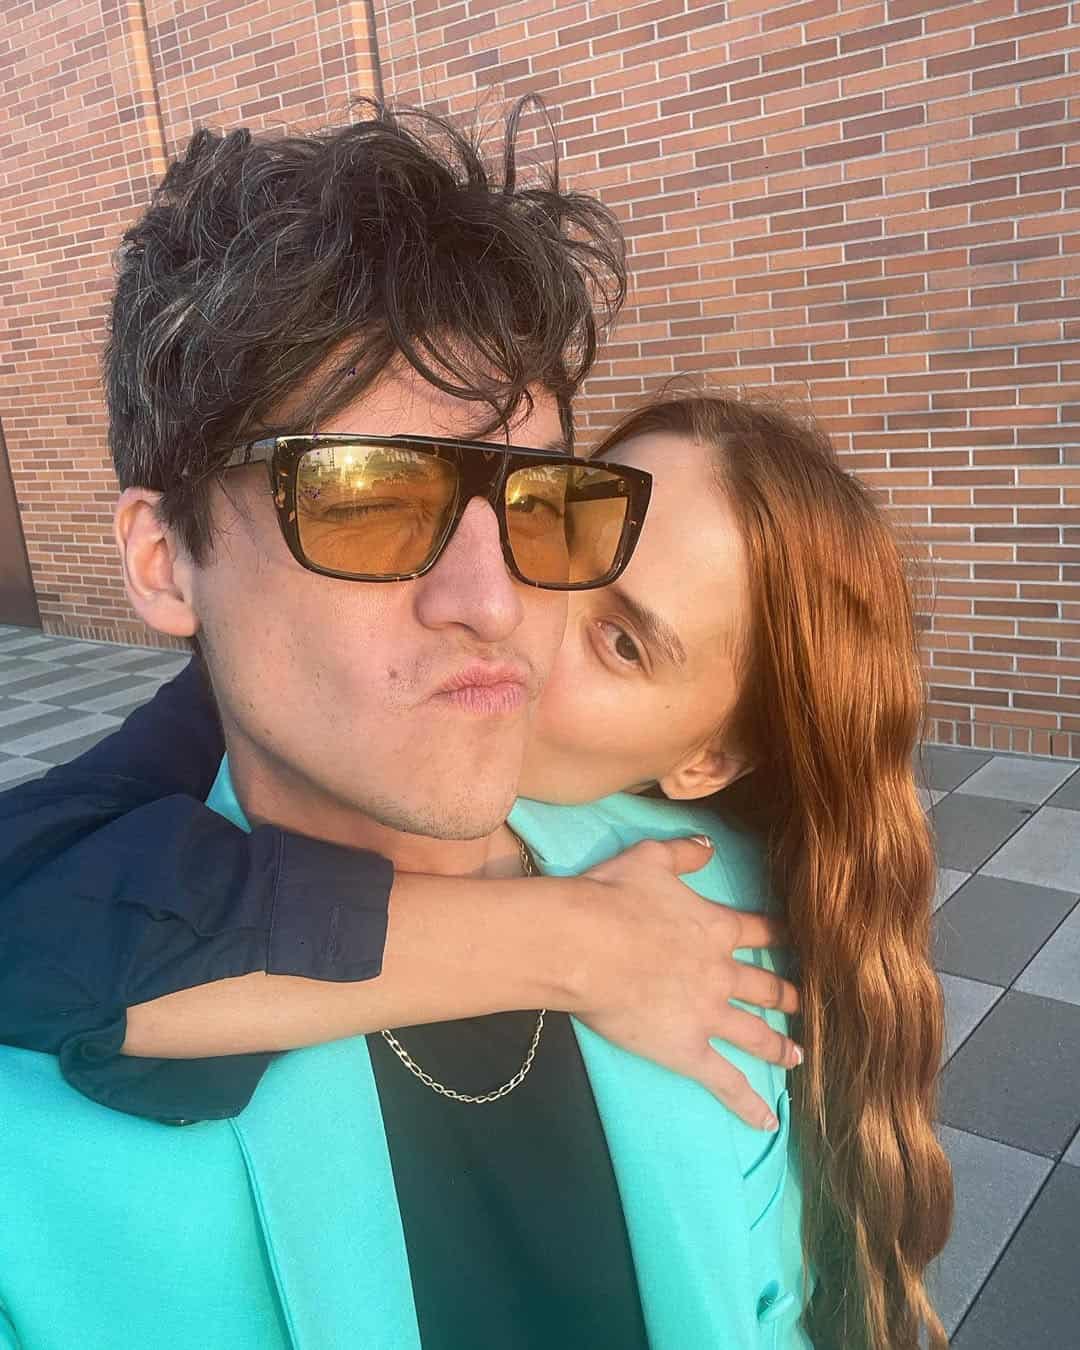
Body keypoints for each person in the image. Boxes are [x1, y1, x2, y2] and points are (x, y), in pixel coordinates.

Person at [0, 98, 810, 1350]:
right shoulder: (29, 1131)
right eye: (368, 497)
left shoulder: (711, 920)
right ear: (164, 564)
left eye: (537, 500)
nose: (496, 602)